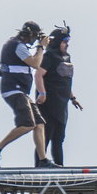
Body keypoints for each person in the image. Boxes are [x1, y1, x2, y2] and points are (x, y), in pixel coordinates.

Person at [0, 21, 55, 168]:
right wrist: (41, 46)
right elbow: (36, 64)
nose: (35, 40)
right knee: (27, 124)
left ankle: (43, 160)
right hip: (13, 89)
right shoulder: (17, 45)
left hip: (21, 91)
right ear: (30, 35)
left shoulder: (17, 44)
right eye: (35, 37)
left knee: (39, 124)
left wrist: (40, 46)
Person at [39, 25, 81, 166]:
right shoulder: (49, 56)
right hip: (48, 103)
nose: (67, 45)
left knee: (59, 138)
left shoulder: (66, 57)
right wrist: (42, 93)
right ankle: (39, 166)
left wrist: (73, 98)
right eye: (64, 42)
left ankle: (60, 166)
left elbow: (65, 81)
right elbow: (38, 75)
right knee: (45, 136)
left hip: (62, 104)